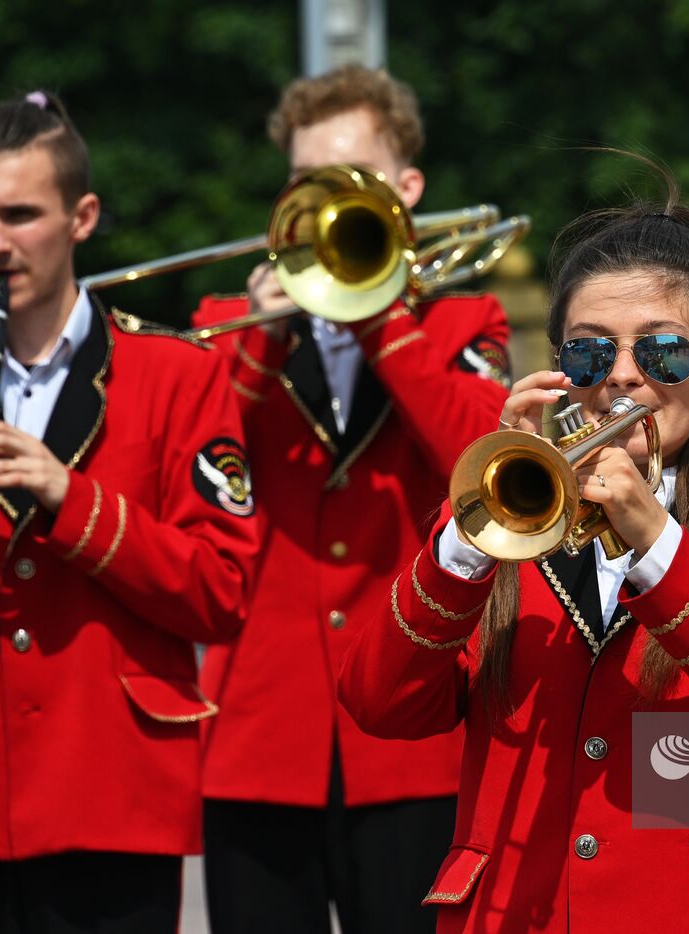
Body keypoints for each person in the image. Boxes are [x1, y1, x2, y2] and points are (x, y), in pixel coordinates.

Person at [337, 188, 689, 933]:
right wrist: (469, 534)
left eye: (662, 349)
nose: (622, 375)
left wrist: (656, 544)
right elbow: (379, 703)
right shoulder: (499, 532)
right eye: (589, 349)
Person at [192, 65, 511, 934]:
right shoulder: (230, 321)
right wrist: (261, 346)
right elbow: (193, 470)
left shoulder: (461, 323)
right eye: (305, 184)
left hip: (410, 745)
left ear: (405, 191)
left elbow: (481, 463)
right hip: (259, 736)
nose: (323, 204)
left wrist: (379, 316)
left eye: (348, 183)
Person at [0, 92, 259, 933]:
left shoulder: (177, 373)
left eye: (19, 215)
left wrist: (69, 498)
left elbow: (221, 593)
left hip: (110, 794)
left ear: (83, 216)